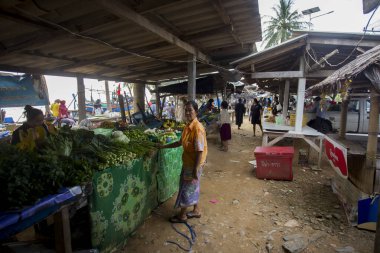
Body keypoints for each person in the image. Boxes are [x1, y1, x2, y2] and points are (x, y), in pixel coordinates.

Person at [160, 101, 207, 223]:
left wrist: (195, 169)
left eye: (190, 110)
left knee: (187, 188)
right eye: (186, 110)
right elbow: (180, 142)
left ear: (196, 111)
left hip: (193, 164)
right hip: (190, 163)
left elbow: (199, 151)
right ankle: (196, 210)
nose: (187, 112)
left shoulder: (197, 129)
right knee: (193, 186)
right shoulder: (188, 126)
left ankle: (182, 215)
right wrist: (163, 147)